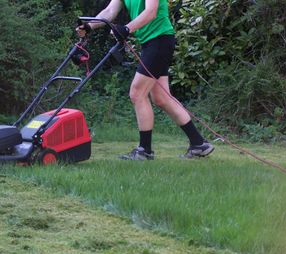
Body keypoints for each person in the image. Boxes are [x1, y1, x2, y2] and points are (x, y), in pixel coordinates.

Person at [76, 0, 214, 160]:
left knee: (137, 93)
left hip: (160, 40)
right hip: (150, 43)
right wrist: (89, 26)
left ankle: (144, 150)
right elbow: (109, 11)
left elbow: (151, 11)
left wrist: (127, 29)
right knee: (161, 98)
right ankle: (199, 144)